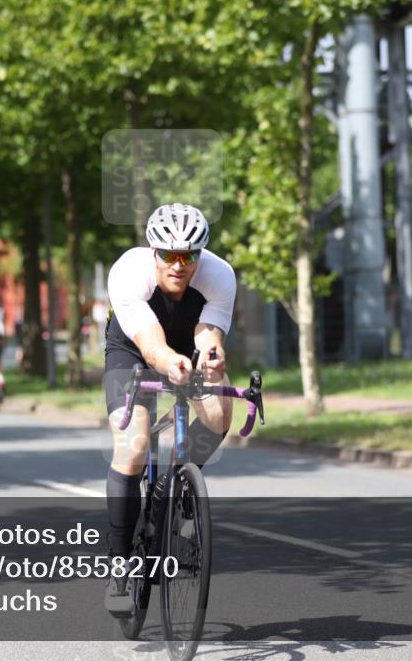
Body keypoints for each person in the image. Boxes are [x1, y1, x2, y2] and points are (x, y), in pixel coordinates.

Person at [102, 203, 236, 613]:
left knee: (218, 415)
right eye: (170, 256)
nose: (179, 265)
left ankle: (175, 490)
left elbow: (208, 333)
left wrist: (211, 361)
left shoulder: (220, 275)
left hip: (186, 345)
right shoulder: (128, 271)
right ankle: (121, 564)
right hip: (134, 350)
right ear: (152, 250)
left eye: (189, 256)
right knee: (135, 446)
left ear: (201, 255)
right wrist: (168, 362)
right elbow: (149, 342)